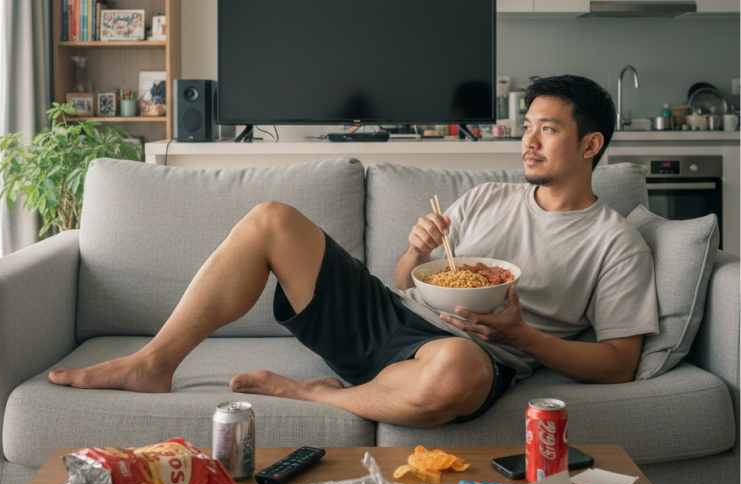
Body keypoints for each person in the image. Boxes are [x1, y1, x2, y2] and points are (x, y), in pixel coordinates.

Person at [49, 75, 659, 428]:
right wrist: (414, 252)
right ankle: (154, 362)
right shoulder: (486, 199)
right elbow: (404, 279)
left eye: (546, 129)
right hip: (388, 318)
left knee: (460, 369)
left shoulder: (615, 242)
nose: (527, 140)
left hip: (465, 355)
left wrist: (522, 337)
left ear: (590, 145)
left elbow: (620, 363)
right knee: (272, 218)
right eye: (526, 126)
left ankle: (319, 393)